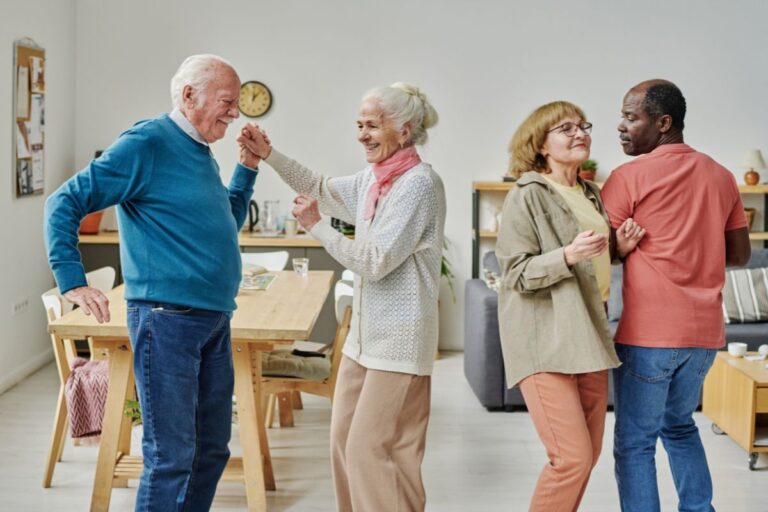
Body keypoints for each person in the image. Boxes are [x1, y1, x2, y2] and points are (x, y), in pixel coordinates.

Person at [44, 54, 261, 512]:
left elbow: (226, 220)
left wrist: (247, 167)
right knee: (171, 458)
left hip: (212, 320)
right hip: (167, 322)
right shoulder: (147, 143)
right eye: (227, 101)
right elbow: (64, 202)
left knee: (211, 451)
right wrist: (71, 280)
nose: (235, 112)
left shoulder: (199, 152)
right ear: (188, 96)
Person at [237, 82, 445, 512]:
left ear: (403, 131)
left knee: (372, 451)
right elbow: (320, 186)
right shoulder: (374, 179)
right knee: (342, 443)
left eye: (371, 125)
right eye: (359, 125)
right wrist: (268, 154)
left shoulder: (419, 185)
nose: (362, 134)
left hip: (399, 343)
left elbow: (374, 261)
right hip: (362, 342)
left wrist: (317, 226)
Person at [601, 79, 751, 512]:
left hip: (649, 336)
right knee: (680, 426)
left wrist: (624, 247)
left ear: (663, 123)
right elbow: (740, 254)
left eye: (632, 117)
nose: (622, 126)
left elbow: (599, 250)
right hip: (703, 337)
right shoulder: (721, 175)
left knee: (635, 444)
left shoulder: (628, 176)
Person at [496, 100, 645, 511]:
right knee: (571, 458)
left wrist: (617, 248)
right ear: (541, 145)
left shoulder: (592, 192)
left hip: (589, 335)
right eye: (566, 128)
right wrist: (567, 255)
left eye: (583, 125)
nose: (580, 133)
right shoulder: (526, 195)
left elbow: (589, 256)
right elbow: (514, 273)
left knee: (586, 456)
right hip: (545, 339)